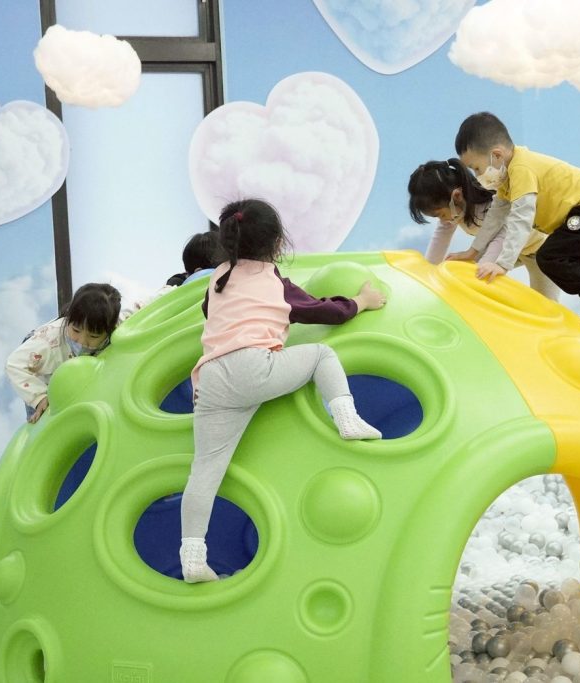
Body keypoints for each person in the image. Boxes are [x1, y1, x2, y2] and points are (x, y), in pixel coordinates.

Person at [179, 198, 386, 583]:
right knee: (321, 355)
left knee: (205, 471)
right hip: (255, 369)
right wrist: (362, 301)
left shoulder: (218, 276)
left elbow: (211, 312)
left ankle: (192, 556)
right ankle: (347, 418)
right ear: (277, 244)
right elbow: (325, 312)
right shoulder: (274, 282)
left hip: (210, 380)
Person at [453, 111, 580, 365]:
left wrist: (502, 264)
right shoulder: (507, 179)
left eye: (477, 168)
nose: (478, 175)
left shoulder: (521, 169)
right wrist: (473, 251)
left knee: (550, 256)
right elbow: (496, 215)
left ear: (497, 155)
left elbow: (520, 220)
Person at [406, 159, 560, 301]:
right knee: (464, 271)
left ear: (457, 196)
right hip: (504, 247)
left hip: (538, 251)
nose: (442, 220)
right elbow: (441, 237)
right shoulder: (453, 212)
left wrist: (484, 265)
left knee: (546, 303)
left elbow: (503, 236)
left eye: (441, 215)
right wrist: (427, 273)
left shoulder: (490, 207)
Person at [6, 283, 122, 423]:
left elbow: (135, 312)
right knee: (42, 414)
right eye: (76, 330)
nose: (82, 341)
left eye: (93, 336)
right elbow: (14, 364)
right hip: (41, 370)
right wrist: (39, 397)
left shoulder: (114, 326)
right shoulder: (46, 344)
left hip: (73, 366)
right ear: (69, 320)